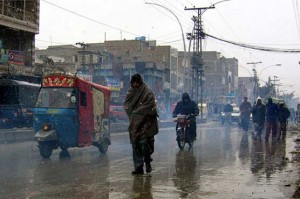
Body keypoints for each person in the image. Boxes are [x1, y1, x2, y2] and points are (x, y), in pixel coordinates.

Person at [124, 74, 159, 175]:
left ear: (140, 82)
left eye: (137, 82)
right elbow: (127, 106)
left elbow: (150, 105)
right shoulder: (130, 93)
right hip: (135, 124)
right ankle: (138, 168)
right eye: (133, 82)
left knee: (144, 143)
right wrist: (135, 115)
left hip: (147, 122)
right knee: (135, 145)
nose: (135, 84)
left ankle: (147, 162)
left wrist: (138, 112)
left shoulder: (147, 92)